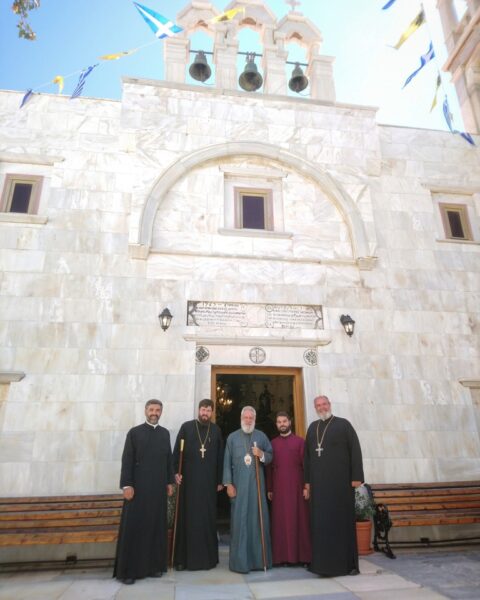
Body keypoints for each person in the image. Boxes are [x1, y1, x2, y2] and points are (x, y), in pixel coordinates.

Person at [113, 399, 174, 585]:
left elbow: (168, 459)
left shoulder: (165, 434)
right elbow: (127, 460)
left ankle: (153, 567)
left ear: (161, 412)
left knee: (155, 528)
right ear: (145, 411)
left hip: (157, 490)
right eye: (151, 409)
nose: (154, 413)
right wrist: (126, 485)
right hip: (137, 490)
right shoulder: (134, 433)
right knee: (135, 529)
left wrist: (170, 482)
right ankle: (129, 571)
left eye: (158, 410)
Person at [304, 395, 364, 577]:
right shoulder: (312, 428)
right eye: (318, 405)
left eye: (324, 404)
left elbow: (355, 450)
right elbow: (307, 457)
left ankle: (346, 564)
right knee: (320, 524)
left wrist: (357, 477)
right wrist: (307, 483)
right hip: (319, 488)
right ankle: (321, 564)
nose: (321, 407)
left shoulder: (343, 425)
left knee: (341, 523)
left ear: (329, 405)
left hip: (340, 486)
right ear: (315, 408)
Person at [173, 398, 224, 570]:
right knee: (187, 518)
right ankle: (184, 560)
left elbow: (220, 457)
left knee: (207, 519)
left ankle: (208, 559)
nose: (205, 413)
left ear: (212, 412)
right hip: (188, 483)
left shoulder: (216, 430)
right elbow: (176, 453)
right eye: (203, 409)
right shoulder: (186, 427)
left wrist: (220, 480)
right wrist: (175, 473)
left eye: (208, 410)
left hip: (209, 483)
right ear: (198, 410)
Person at [223, 406, 273, 573]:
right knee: (239, 523)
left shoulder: (261, 436)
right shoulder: (232, 437)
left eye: (251, 418)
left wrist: (261, 454)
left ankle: (259, 561)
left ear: (255, 419)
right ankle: (240, 563)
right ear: (241, 418)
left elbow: (270, 456)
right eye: (246, 417)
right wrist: (228, 484)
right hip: (238, 488)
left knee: (257, 522)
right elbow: (226, 461)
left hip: (257, 488)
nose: (248, 420)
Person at [266, 412, 311, 566]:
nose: (282, 424)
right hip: (279, 489)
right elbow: (269, 468)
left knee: (299, 521)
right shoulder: (272, 444)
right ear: (276, 424)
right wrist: (270, 488)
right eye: (279, 422)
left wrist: (306, 486)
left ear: (290, 422)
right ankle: (281, 557)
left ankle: (302, 557)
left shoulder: (300, 442)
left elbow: (306, 466)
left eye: (284, 421)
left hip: (297, 488)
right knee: (280, 523)